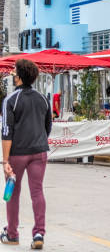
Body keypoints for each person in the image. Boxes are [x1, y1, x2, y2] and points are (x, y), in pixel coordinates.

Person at [1, 59, 52, 249]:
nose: (13, 75)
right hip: (39, 152)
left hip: (17, 154)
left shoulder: (10, 100)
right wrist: (37, 141)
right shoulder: (42, 98)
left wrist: (5, 160)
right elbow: (48, 127)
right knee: (37, 192)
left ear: (20, 78)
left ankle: (12, 234)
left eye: (14, 72)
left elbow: (6, 131)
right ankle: (39, 233)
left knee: (12, 193)